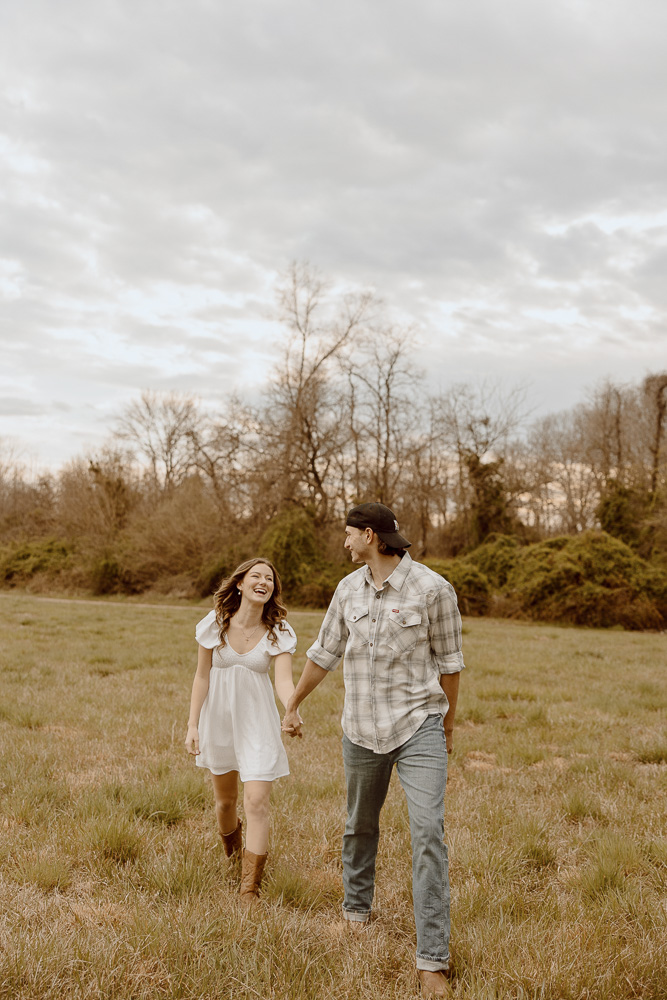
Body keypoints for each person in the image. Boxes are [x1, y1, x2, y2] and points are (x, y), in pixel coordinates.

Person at [282, 503, 464, 998]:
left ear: (369, 535)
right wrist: (294, 703)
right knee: (359, 823)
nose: (344, 543)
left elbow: (450, 665)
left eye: (348, 534)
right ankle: (355, 913)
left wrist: (447, 728)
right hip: (361, 728)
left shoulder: (433, 589)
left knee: (428, 830)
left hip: (418, 725)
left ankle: (432, 961)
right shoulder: (348, 589)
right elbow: (324, 652)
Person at [185, 557, 301, 903]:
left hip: (257, 726)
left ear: (272, 590)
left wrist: (292, 709)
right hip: (218, 722)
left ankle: (249, 889)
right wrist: (193, 724)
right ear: (240, 583)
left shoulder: (279, 631)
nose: (263, 581)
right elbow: (201, 676)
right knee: (225, 803)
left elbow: (283, 681)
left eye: (270, 578)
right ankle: (234, 856)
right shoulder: (215, 624)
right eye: (256, 576)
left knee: (256, 802)